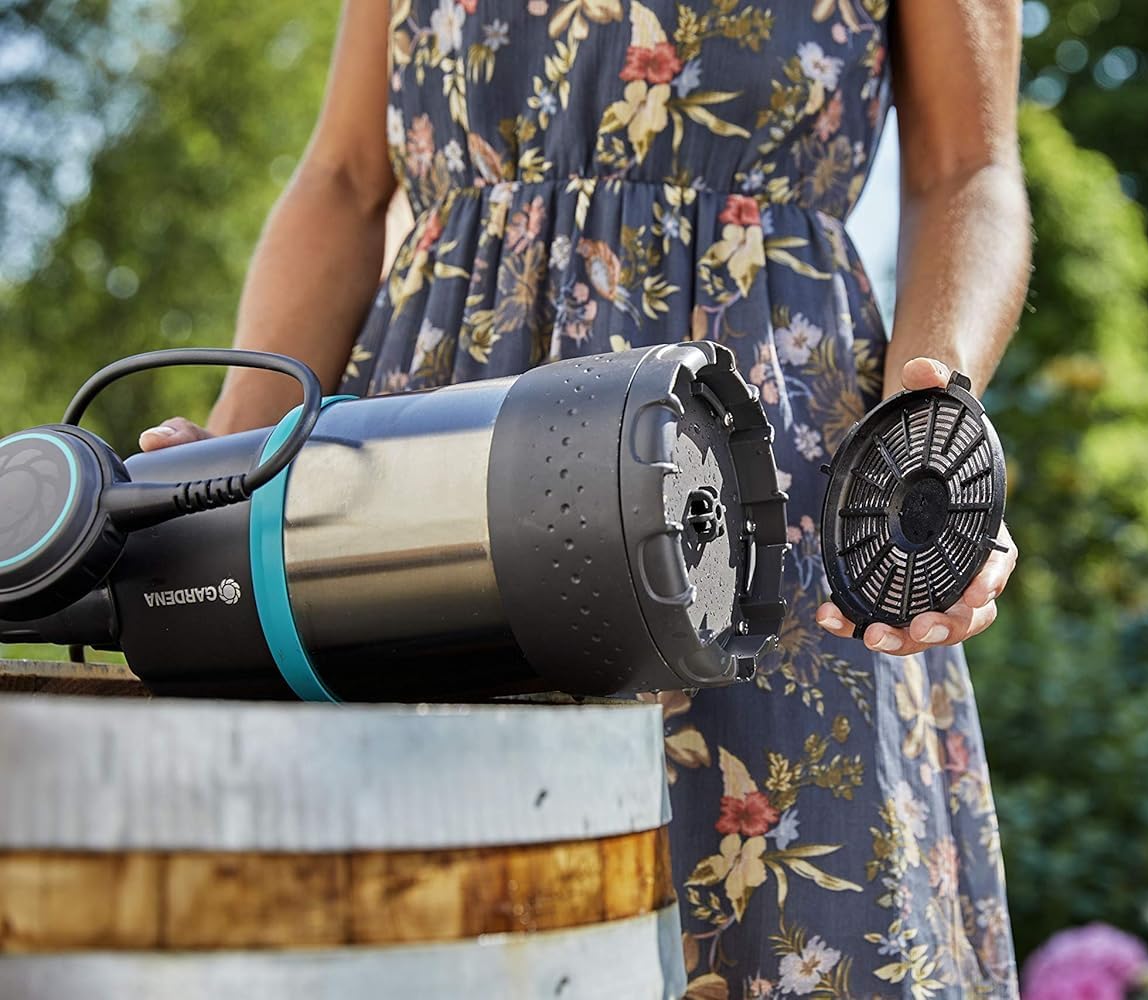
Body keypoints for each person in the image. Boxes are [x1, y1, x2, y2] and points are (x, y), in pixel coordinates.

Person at [140, 1, 1029, 994]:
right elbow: (347, 178)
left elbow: (967, 169)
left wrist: (932, 435)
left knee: (785, 915)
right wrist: (226, 461)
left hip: (755, 484)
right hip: (427, 466)